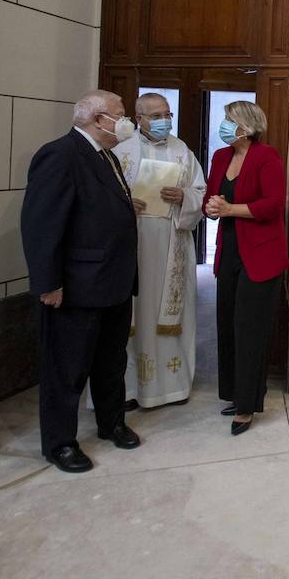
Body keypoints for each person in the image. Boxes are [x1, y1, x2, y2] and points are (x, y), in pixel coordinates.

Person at [20, 90, 144, 473]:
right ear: (98, 118)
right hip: (75, 286)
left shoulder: (106, 155)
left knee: (110, 361)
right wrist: (48, 283)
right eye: (121, 115)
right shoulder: (60, 154)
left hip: (113, 283)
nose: (127, 122)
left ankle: (111, 423)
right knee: (67, 369)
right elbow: (41, 224)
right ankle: (60, 443)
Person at [112, 93, 206, 409]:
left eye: (167, 113)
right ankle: (127, 390)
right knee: (131, 317)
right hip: (133, 245)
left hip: (171, 243)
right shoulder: (121, 153)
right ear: (138, 118)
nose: (164, 119)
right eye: (156, 115)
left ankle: (172, 387)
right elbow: (100, 199)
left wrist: (184, 197)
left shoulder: (182, 152)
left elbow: (200, 192)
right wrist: (125, 205)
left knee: (171, 315)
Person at [201, 100, 288, 436]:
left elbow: (272, 204)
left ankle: (249, 405)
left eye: (229, 120)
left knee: (250, 328)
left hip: (261, 254)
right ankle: (236, 395)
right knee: (227, 325)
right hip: (229, 251)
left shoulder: (266, 157)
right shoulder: (221, 157)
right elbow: (213, 199)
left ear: (247, 126)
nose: (223, 125)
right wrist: (210, 208)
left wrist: (230, 208)